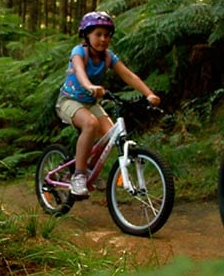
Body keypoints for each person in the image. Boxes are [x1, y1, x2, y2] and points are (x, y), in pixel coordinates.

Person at [55, 11, 161, 198]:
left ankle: (88, 168)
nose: (103, 39)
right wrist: (89, 86)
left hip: (90, 103)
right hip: (69, 101)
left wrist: (149, 94)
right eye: (98, 34)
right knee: (90, 124)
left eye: (106, 35)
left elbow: (129, 75)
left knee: (112, 134)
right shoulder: (79, 52)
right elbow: (79, 71)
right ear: (87, 35)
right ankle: (78, 176)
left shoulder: (108, 57)